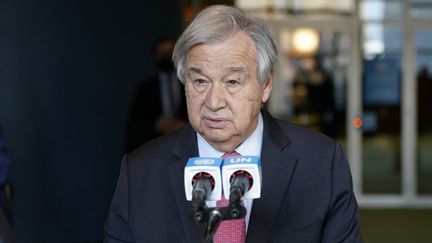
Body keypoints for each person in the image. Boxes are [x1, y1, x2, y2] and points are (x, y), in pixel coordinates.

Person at [105, 5, 361, 243]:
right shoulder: (139, 172)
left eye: (232, 82)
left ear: (266, 85)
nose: (214, 102)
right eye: (200, 82)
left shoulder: (321, 161)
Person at [126, 37, 187, 153]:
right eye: (162, 54)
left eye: (169, 53)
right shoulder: (146, 88)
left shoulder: (189, 83)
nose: (166, 57)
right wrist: (155, 125)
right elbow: (135, 123)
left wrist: (184, 124)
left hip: (186, 144)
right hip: (156, 146)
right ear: (155, 56)